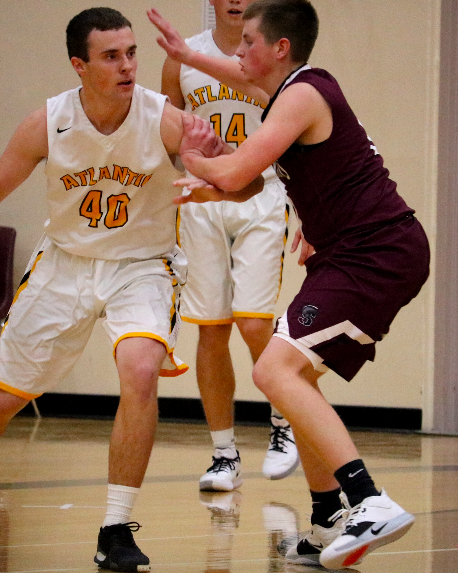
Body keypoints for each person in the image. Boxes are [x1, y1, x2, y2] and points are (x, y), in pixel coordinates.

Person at [0, 8, 259, 573]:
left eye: (131, 53)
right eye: (111, 56)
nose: (127, 65)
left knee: (140, 370)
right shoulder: (46, 122)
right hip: (66, 266)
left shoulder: (165, 119)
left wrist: (217, 163)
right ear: (80, 65)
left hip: (143, 267)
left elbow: (248, 187)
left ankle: (116, 527)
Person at [150, 0, 430, 568]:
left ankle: (369, 500)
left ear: (280, 49)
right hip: (346, 255)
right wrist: (183, 56)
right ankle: (328, 517)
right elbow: (246, 182)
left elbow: (233, 172)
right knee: (290, 374)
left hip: (376, 254)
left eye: (248, 41)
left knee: (272, 369)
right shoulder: (286, 93)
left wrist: (193, 156)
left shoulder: (302, 93)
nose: (236, 52)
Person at [157, 0, 298, 492]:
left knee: (254, 320)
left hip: (262, 192)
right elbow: (169, 133)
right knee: (211, 330)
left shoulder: (270, 59)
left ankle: (285, 421)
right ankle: (223, 453)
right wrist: (184, 167)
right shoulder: (181, 57)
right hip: (203, 198)